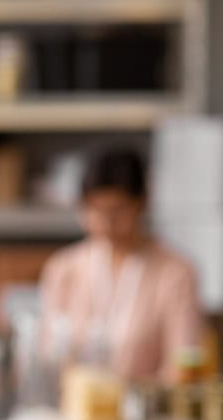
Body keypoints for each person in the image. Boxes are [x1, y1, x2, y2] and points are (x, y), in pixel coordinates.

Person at [40, 148, 205, 383]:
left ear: (141, 203)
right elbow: (48, 355)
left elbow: (183, 364)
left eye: (117, 211)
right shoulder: (63, 268)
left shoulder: (177, 272)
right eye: (95, 210)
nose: (106, 223)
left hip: (148, 412)